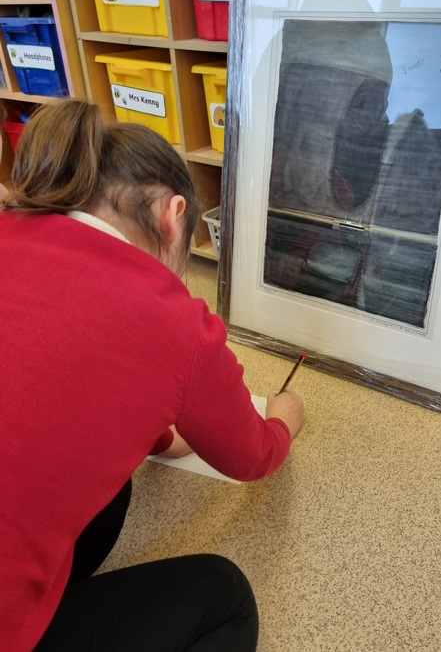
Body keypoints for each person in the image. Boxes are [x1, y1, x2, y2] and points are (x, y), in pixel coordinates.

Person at [0, 98, 304, 652]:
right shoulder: (171, 318)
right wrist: (285, 418)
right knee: (225, 597)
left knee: (110, 496)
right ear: (173, 214)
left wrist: (160, 433)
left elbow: (43, 383)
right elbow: (252, 457)